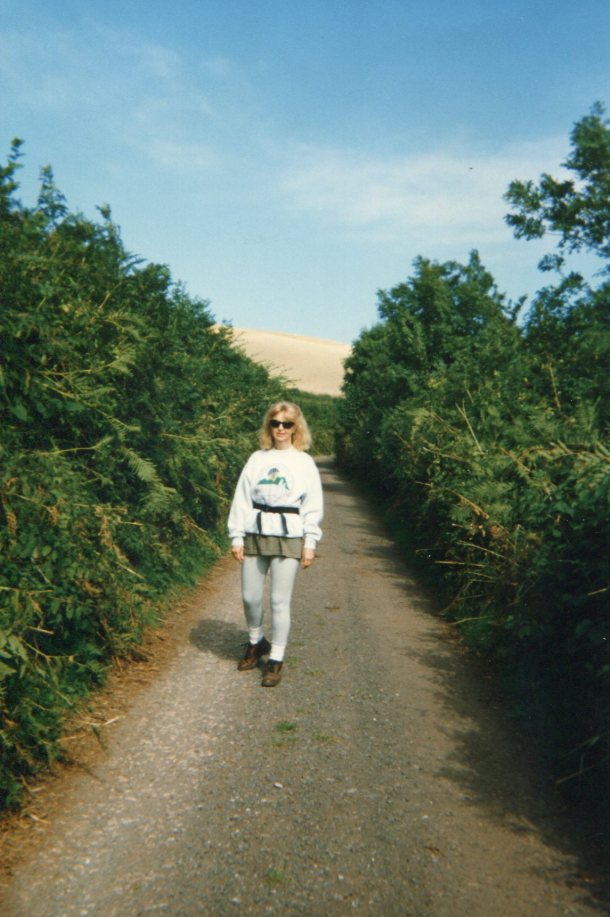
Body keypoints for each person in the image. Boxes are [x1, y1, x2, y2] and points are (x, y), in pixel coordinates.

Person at [227, 401, 323, 687]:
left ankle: (276, 659)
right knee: (250, 596)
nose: (281, 428)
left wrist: (310, 543)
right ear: (269, 426)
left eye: (287, 424)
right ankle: (256, 642)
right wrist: (236, 535)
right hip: (256, 531)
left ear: (296, 428)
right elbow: (242, 498)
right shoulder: (257, 459)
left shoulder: (304, 463)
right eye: (275, 423)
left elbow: (313, 505)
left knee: (279, 601)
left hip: (289, 534)